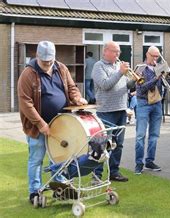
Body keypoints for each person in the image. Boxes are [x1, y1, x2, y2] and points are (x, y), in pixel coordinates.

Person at [17, 41, 88, 203]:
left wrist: (77, 97)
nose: (47, 64)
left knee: (60, 158)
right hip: (37, 127)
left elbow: (72, 87)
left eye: (50, 61)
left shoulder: (61, 68)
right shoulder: (27, 75)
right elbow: (25, 103)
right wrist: (41, 124)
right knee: (36, 159)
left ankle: (60, 188)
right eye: (44, 62)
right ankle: (34, 191)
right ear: (37, 56)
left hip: (60, 123)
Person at [92, 41, 136, 182]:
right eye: (115, 51)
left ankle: (114, 172)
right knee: (103, 143)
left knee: (119, 143)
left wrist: (134, 81)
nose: (118, 54)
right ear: (106, 51)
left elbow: (124, 87)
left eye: (118, 51)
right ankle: (96, 175)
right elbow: (105, 85)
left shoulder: (119, 66)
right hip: (106, 111)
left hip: (121, 109)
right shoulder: (98, 66)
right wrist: (120, 72)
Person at [133, 46, 164, 174]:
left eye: (157, 56)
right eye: (153, 56)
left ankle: (149, 161)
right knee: (140, 135)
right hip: (143, 103)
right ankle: (139, 164)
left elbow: (164, 85)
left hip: (157, 103)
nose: (155, 58)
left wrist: (165, 78)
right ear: (147, 54)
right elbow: (141, 88)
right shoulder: (140, 69)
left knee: (154, 135)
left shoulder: (160, 67)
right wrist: (156, 78)